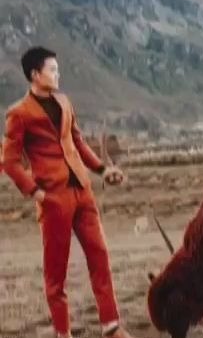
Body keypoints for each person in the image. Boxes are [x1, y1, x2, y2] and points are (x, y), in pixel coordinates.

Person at [2, 46, 135, 338]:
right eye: (52, 70)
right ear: (35, 75)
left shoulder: (64, 102)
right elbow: (9, 161)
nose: (57, 74)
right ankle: (63, 333)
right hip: (52, 199)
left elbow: (78, 142)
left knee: (99, 255)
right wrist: (34, 191)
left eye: (57, 69)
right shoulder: (19, 113)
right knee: (56, 274)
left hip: (82, 191)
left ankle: (111, 326)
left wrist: (102, 170)